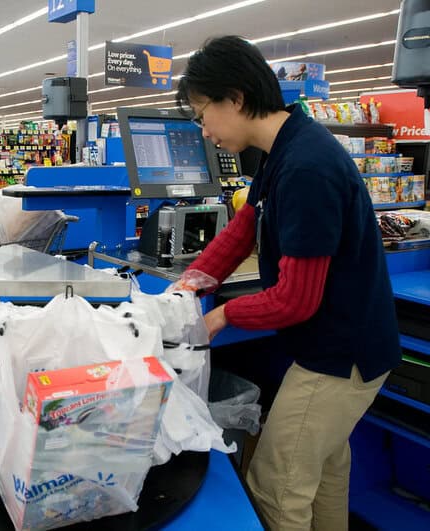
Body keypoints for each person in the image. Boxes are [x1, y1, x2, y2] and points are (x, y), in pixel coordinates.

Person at [173, 35, 400, 531]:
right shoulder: (285, 146)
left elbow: (296, 300)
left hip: (340, 357)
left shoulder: (306, 167)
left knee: (277, 485)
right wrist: (188, 285)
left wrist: (221, 314)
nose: (204, 130)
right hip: (347, 343)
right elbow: (244, 228)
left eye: (202, 112)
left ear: (235, 97)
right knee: (323, 470)